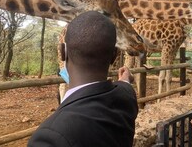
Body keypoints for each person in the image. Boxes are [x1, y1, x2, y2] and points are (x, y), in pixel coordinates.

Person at [28, 11, 138, 147]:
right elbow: (124, 85)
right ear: (114, 55)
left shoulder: (49, 137)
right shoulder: (127, 97)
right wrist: (125, 78)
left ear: (63, 52)